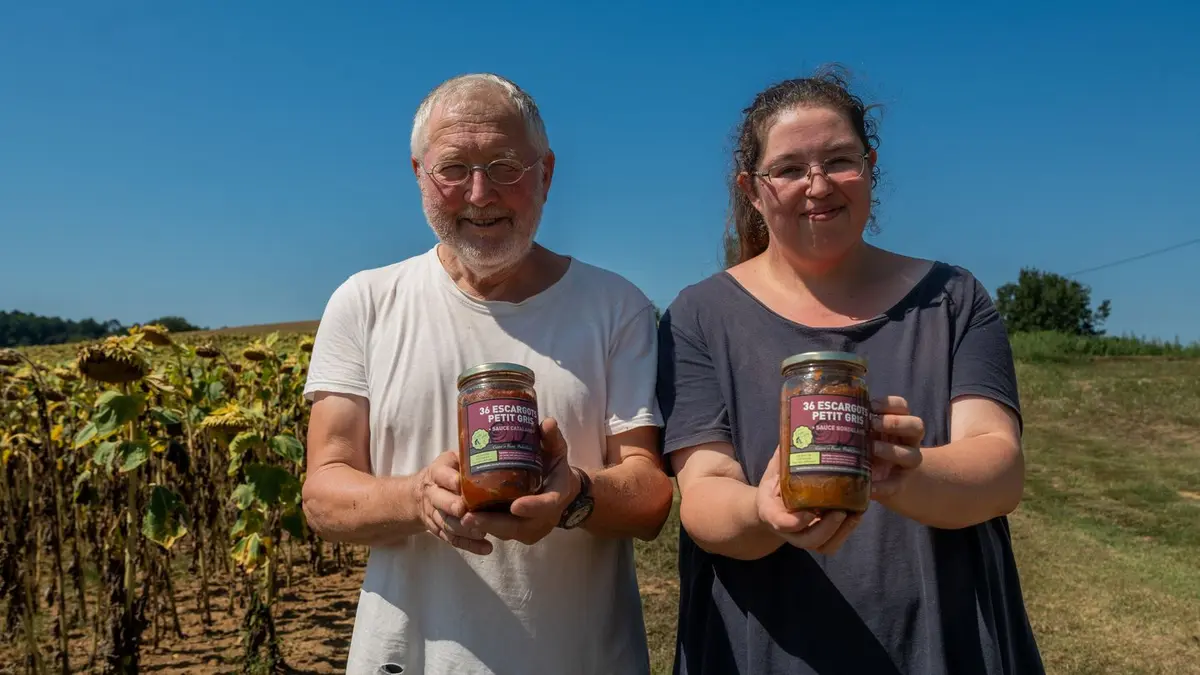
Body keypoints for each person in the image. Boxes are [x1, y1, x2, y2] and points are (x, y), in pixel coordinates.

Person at [655, 66, 1046, 675]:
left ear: (870, 166)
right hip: (767, 647)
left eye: (839, 161)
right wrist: (765, 510)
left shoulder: (953, 298)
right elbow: (703, 492)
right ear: (752, 188)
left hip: (945, 644)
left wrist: (896, 470)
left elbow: (999, 467)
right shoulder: (698, 315)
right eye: (788, 169)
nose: (817, 185)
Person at [301, 73, 674, 675]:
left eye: (506, 167)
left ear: (546, 174)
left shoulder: (616, 307)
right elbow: (323, 494)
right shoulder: (364, 302)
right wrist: (417, 496)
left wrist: (574, 494)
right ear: (419, 174)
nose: (480, 194)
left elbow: (651, 496)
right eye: (454, 169)